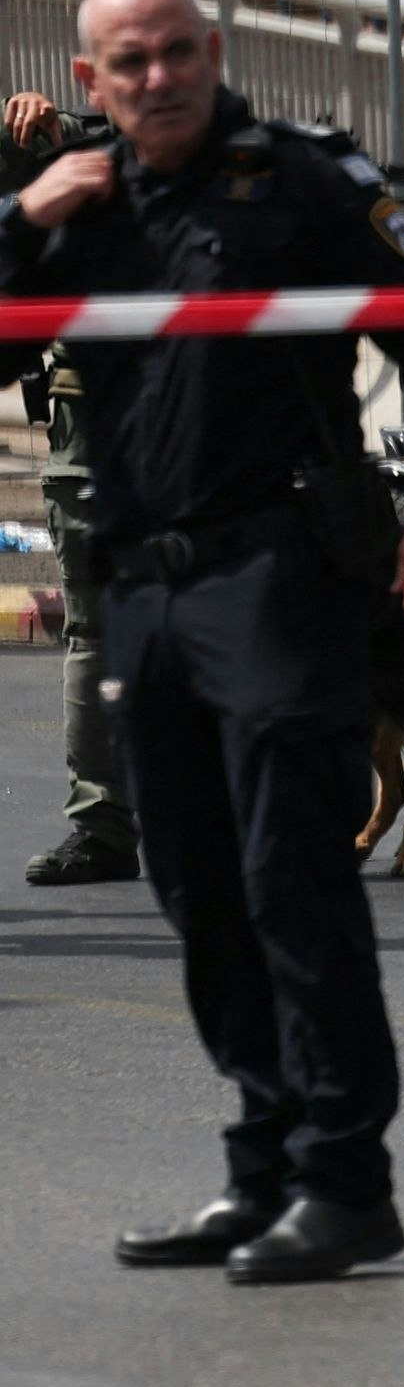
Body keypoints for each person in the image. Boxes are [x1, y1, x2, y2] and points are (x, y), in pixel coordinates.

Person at [2, 0, 404, 1284]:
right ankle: (264, 1166)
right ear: (91, 78)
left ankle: (345, 1180)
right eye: (130, 61)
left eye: (178, 51)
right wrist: (16, 220)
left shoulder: (301, 183)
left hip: (277, 570)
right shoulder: (80, 201)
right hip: (141, 588)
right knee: (193, 884)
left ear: (214, 52)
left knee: (293, 874)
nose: (159, 77)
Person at [2, 89, 137, 887]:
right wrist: (31, 142)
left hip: (214, 434)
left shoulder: (237, 161)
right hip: (92, 433)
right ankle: (104, 825)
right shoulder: (57, 151)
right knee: (95, 632)